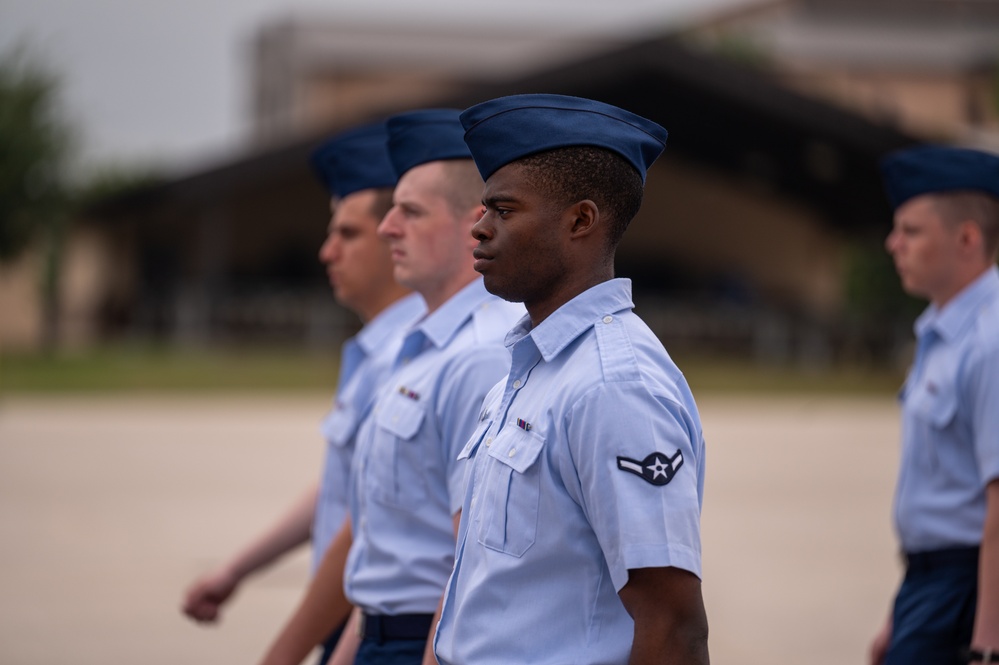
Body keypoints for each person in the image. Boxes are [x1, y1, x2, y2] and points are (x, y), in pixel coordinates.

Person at [433, 93, 709, 665]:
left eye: (504, 211)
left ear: (581, 220)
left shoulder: (614, 385)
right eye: (484, 210)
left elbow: (672, 624)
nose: (479, 230)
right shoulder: (533, 365)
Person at [258, 109, 525, 665]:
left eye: (409, 212)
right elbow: (383, 539)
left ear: (475, 223)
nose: (387, 228)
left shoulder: (477, 355)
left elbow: (467, 564)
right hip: (380, 632)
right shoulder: (423, 344)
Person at [181, 121, 425, 665]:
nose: (327, 252)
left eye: (348, 234)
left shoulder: (414, 355)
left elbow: (376, 528)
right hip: (348, 615)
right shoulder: (378, 349)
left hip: (369, 618)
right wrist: (238, 567)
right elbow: (347, 492)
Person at [869, 145, 999, 665]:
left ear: (967, 237)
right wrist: (898, 618)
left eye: (912, 230)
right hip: (929, 583)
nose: (893, 243)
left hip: (967, 588)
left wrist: (988, 641)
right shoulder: (943, 332)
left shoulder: (989, 342)